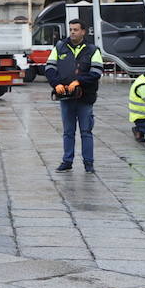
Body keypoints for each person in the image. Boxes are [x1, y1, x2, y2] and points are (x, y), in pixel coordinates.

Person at [45, 19, 105, 173]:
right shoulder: (59, 47)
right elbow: (50, 68)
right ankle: (67, 161)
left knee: (86, 131)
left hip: (85, 98)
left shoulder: (92, 50)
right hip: (65, 97)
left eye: (76, 29)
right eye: (71, 29)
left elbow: (96, 72)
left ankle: (88, 163)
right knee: (68, 132)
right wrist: (56, 84)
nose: (72, 32)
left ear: (83, 32)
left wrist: (79, 81)